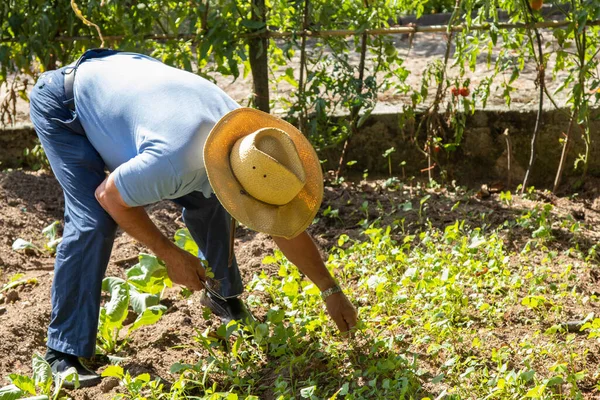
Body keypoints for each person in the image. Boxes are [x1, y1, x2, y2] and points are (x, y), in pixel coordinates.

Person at [28, 49, 358, 388]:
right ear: (234, 181)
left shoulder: (247, 139)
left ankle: (223, 298)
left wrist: (330, 290)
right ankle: (62, 353)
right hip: (66, 104)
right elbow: (108, 196)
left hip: (129, 83)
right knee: (94, 220)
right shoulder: (173, 162)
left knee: (210, 201)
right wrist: (170, 254)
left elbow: (283, 229)